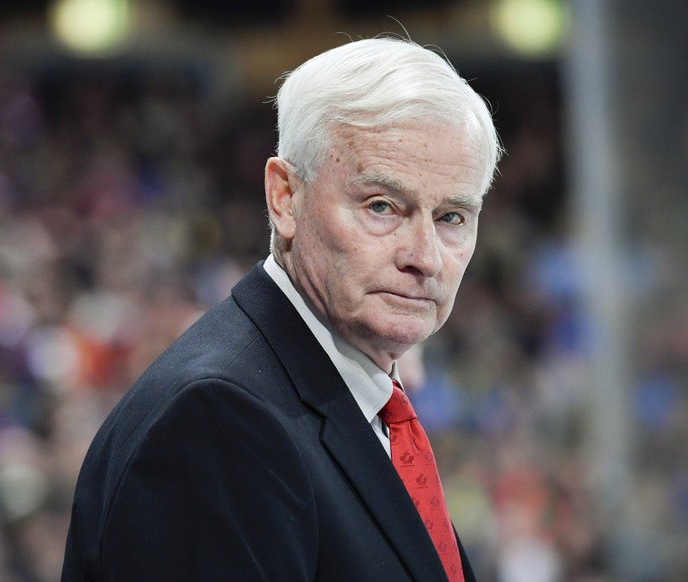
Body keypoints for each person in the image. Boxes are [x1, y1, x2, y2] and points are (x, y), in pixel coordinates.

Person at [61, 36, 501, 581]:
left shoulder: (354, 394)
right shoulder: (217, 420)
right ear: (284, 197)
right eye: (382, 206)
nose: (425, 258)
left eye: (452, 217)